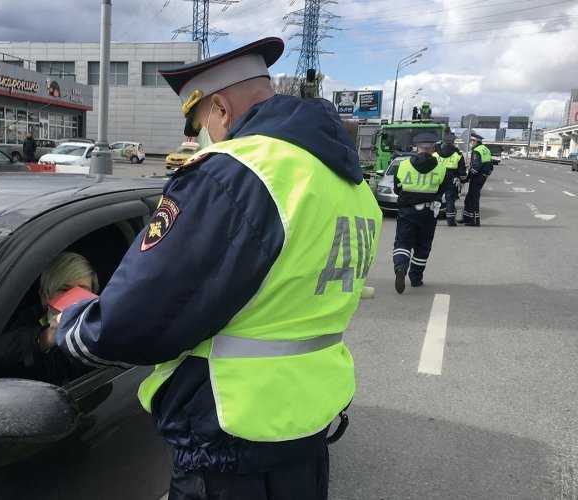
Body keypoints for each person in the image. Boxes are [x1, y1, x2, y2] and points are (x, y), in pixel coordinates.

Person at [43, 37, 383, 499]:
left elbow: (138, 316)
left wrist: (69, 325)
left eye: (200, 123)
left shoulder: (238, 171)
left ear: (220, 108)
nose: (201, 138)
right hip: (305, 428)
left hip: (231, 440)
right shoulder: (347, 183)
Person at [0, 252, 98, 385]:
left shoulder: (101, 325)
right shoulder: (30, 320)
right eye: (64, 290)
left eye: (82, 291)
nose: (73, 299)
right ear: (44, 296)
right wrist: (48, 337)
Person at [392, 132, 447, 293]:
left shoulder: (403, 165)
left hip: (407, 211)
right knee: (422, 246)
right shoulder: (441, 169)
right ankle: (416, 278)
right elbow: (442, 190)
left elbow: (397, 188)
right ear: (433, 148)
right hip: (429, 212)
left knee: (402, 242)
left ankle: (401, 267)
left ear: (417, 147)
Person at [458, 132, 492, 226]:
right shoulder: (486, 149)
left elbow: (476, 167)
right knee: (469, 198)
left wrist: (467, 178)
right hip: (482, 176)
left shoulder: (476, 151)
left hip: (477, 177)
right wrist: (485, 175)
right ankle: (466, 218)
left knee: (473, 199)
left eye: (471, 141)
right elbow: (490, 165)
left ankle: (475, 221)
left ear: (476, 141)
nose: (470, 142)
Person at [433, 133, 467, 227]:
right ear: (453, 143)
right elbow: (462, 171)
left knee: (435, 199)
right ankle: (450, 221)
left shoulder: (435, 154)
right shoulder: (458, 155)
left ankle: (433, 220)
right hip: (451, 179)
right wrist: (463, 181)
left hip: (437, 178)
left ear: (443, 143)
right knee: (450, 200)